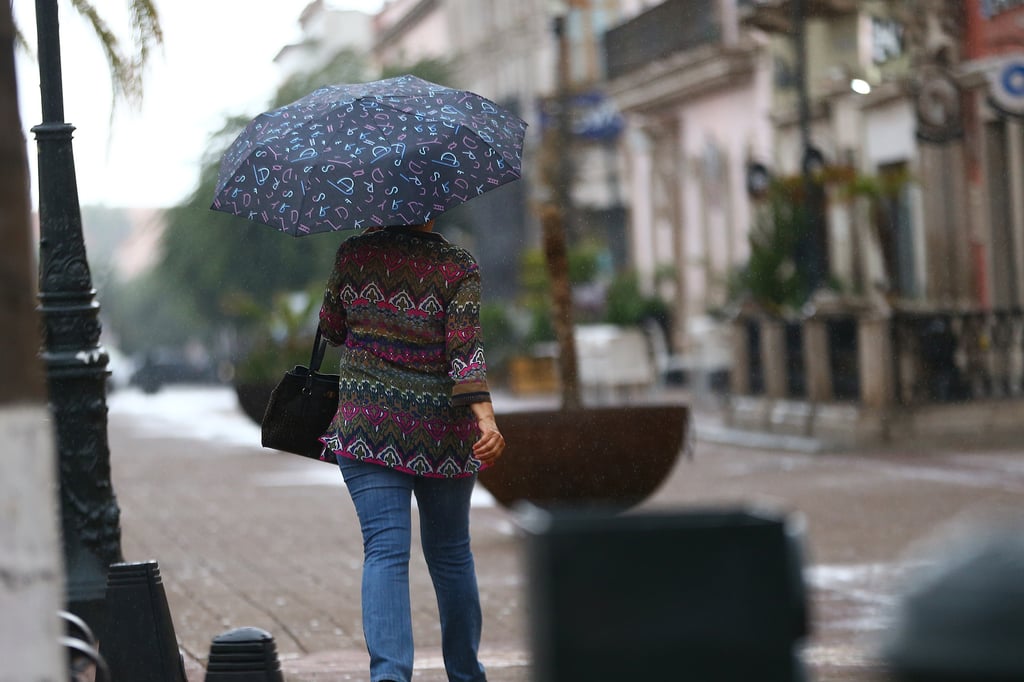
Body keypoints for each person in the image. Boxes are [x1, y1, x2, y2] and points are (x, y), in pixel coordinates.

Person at [317, 219, 505, 682]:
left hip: (367, 428)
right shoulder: (456, 267)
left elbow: (332, 327)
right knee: (451, 554)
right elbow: (466, 354)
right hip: (440, 435)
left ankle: (390, 677)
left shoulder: (353, 254)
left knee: (384, 551)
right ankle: (465, 673)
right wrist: (486, 419)